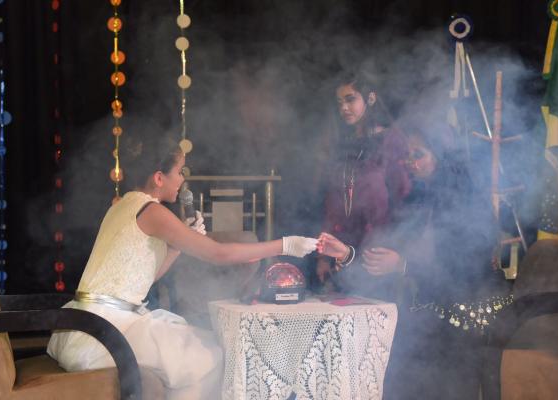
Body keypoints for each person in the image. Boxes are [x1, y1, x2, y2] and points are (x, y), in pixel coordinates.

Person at [47, 133, 318, 400]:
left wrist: (176, 246)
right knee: (211, 356)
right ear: (159, 178)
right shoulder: (152, 211)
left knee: (203, 350)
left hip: (84, 326)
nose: (182, 180)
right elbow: (219, 253)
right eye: (179, 172)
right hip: (105, 333)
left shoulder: (122, 205)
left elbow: (146, 277)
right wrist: (285, 245)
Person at [317, 125, 510, 400]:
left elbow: (464, 269)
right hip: (431, 313)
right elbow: (386, 254)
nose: (410, 162)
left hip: (471, 317)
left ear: (440, 156)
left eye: (418, 154)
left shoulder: (465, 202)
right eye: (408, 156)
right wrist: (346, 255)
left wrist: (404, 266)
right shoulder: (416, 199)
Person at [314, 70, 411, 289]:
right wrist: (324, 256)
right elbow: (332, 203)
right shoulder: (343, 144)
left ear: (370, 98)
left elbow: (404, 198)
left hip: (380, 252)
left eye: (350, 99)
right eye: (340, 102)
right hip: (344, 250)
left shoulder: (391, 140)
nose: (344, 108)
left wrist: (401, 256)